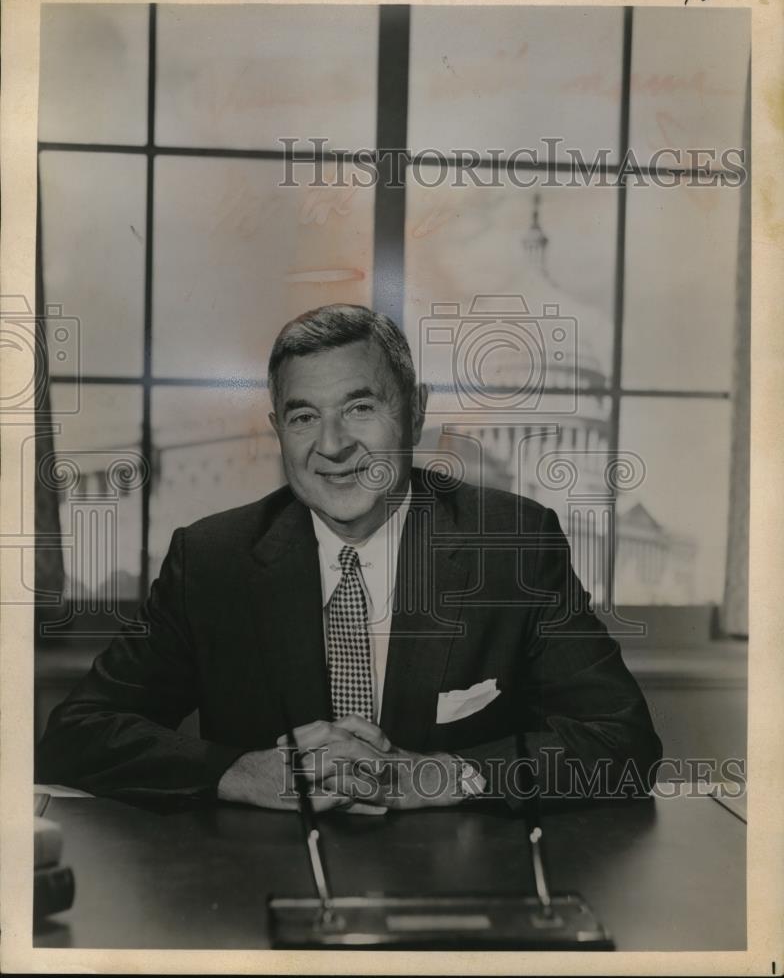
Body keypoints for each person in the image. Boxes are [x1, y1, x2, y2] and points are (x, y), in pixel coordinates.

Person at [37, 304, 661, 812]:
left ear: (415, 411)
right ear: (277, 428)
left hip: (462, 893)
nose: (332, 446)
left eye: (361, 407)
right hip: (257, 895)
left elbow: (624, 743)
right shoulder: (211, 560)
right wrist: (237, 771)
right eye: (304, 416)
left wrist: (449, 776)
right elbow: (76, 735)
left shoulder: (513, 541)